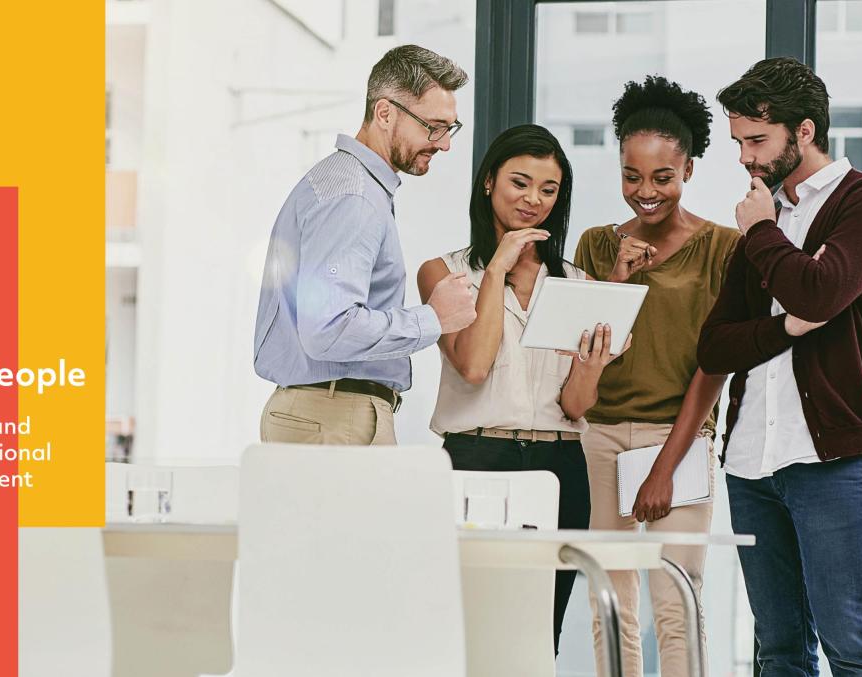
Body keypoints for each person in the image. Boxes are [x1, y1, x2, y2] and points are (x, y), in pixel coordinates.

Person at [698, 57, 862, 676]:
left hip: (831, 461)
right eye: (739, 142)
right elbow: (716, 346)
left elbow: (820, 291)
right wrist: (785, 327)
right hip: (749, 466)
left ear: (806, 131)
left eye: (757, 141)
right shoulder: (765, 221)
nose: (745, 158)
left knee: (852, 644)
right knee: (779, 650)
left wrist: (763, 235)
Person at [417, 124, 625, 654]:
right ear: (489, 182)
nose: (534, 200)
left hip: (559, 467)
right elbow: (474, 366)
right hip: (476, 459)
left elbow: (577, 405)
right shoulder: (444, 272)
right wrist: (497, 271)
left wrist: (592, 365)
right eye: (520, 182)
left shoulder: (576, 284)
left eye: (549, 190)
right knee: (469, 634)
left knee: (539, 639)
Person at [572, 76, 741, 677]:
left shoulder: (723, 247)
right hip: (601, 438)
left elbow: (714, 365)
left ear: (689, 170)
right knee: (609, 603)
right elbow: (587, 349)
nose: (645, 192)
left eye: (661, 178)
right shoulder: (596, 244)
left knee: (678, 603)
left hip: (680, 438)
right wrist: (617, 280)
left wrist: (665, 466)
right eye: (631, 176)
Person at [254, 45, 476, 445]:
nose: (445, 144)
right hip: (335, 416)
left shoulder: (355, 187)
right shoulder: (352, 196)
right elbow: (328, 329)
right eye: (434, 126)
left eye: (450, 128)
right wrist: (433, 319)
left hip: (329, 414)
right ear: (385, 113)